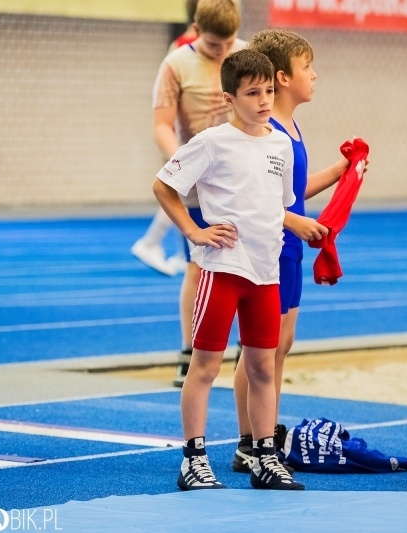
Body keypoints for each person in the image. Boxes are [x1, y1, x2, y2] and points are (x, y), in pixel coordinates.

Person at [153, 48, 304, 491]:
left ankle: (264, 456)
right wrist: (193, 231)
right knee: (205, 366)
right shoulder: (212, 142)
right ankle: (193, 459)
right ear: (229, 98)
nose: (263, 100)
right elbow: (163, 186)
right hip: (223, 270)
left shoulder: (280, 144)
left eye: (269, 91)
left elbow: (278, 206)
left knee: (263, 368)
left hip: (266, 275)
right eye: (252, 93)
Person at [230, 29, 352, 473]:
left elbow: (292, 192)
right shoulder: (265, 132)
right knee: (259, 350)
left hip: (290, 251)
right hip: (268, 249)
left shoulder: (290, 131)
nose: (314, 75)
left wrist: (341, 171)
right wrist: (293, 221)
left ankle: (267, 430)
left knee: (280, 345)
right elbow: (253, 199)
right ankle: (249, 441)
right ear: (282, 77)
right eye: (307, 67)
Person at [151, 0, 246, 387]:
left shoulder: (246, 55)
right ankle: (190, 351)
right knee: (199, 264)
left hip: (241, 179)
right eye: (212, 45)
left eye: (228, 43)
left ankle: (246, 349)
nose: (222, 51)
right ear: (195, 29)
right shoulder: (176, 64)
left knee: (249, 263)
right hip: (197, 183)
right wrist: (183, 165)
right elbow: (161, 124)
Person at [130, 0, 202, 277]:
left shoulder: (189, 45)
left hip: (186, 132)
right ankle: (151, 242)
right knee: (183, 191)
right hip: (183, 133)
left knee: (187, 192)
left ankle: (175, 249)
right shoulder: (186, 48)